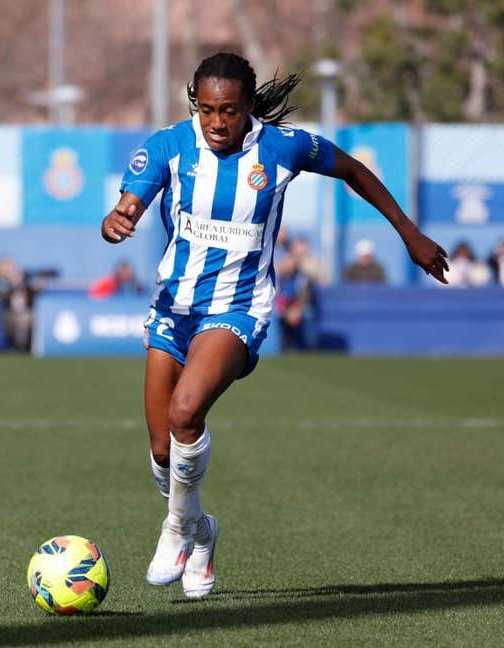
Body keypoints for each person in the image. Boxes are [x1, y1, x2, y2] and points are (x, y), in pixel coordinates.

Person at [99, 52, 448, 598]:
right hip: (172, 307)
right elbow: (128, 204)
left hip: (238, 309)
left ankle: (176, 529)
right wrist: (117, 220)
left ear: (248, 106)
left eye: (230, 111)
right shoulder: (168, 145)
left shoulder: (282, 148)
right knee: (163, 451)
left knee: (185, 411)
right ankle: (202, 530)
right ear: (196, 103)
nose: (218, 122)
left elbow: (353, 170)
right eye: (209, 110)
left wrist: (408, 233)